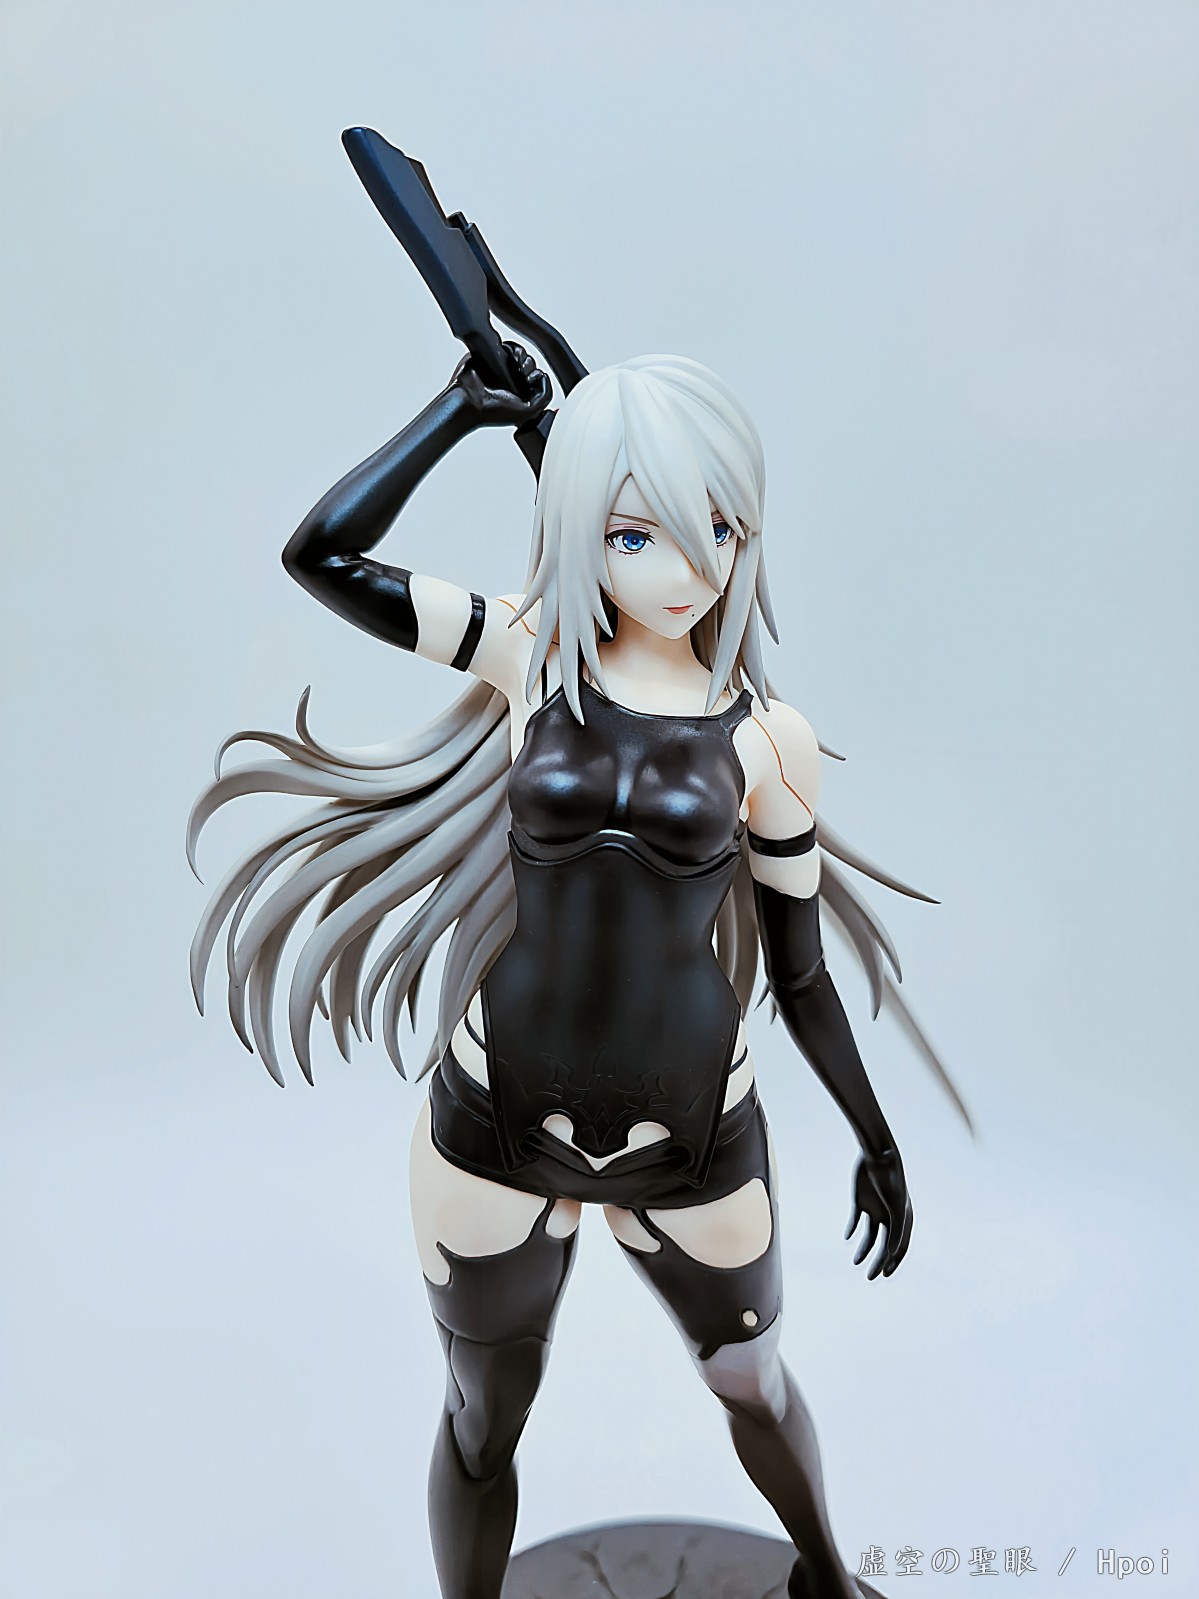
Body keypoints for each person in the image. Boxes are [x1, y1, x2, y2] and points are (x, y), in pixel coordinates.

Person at [190, 345, 950, 1599]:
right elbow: (321, 557)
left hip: (694, 1134)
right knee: (482, 1419)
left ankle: (826, 1583)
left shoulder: (772, 742)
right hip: (494, 1117)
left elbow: (801, 975)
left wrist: (875, 1138)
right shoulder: (529, 652)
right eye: (637, 534)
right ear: (581, 529)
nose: (689, 571)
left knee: (753, 1384)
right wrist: (456, 410)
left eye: (717, 530)